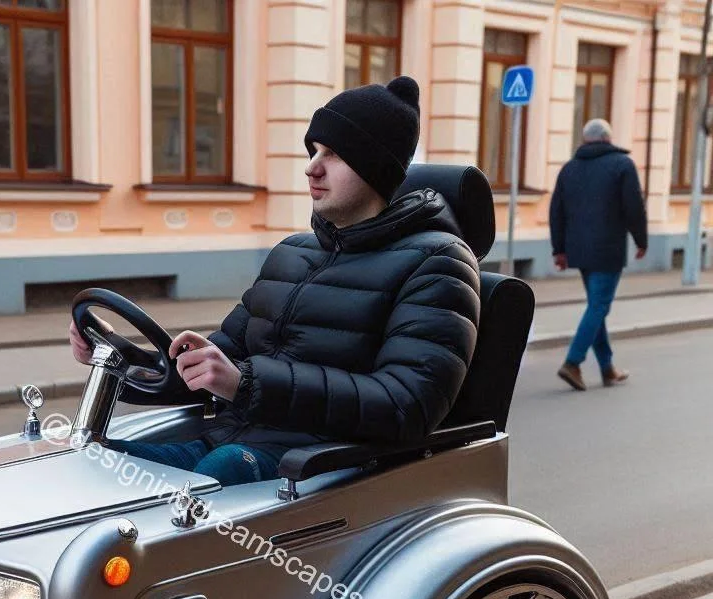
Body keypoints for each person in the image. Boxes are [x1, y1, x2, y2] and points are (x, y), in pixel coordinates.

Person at [68, 77, 480, 486]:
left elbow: (405, 405)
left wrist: (247, 383)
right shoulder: (292, 254)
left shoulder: (439, 261)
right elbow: (214, 367)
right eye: (314, 150)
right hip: (224, 445)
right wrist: (119, 361)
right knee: (87, 464)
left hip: (318, 470)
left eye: (334, 153)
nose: (311, 167)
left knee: (214, 473)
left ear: (375, 166)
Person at [550, 118, 648, 392]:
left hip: (578, 250)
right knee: (598, 306)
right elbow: (634, 206)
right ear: (608, 139)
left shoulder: (569, 169)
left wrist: (558, 249)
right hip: (608, 249)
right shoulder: (622, 165)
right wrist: (641, 240)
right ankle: (573, 362)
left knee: (597, 306)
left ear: (585, 140)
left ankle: (607, 368)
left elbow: (555, 210)